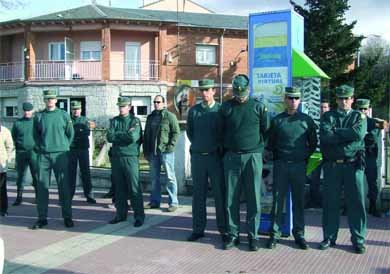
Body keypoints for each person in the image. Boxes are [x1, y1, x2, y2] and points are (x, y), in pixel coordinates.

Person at [220, 74, 269, 251]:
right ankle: (233, 235)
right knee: (231, 198)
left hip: (253, 157)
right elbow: (221, 131)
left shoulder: (258, 107)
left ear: (248, 89)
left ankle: (253, 236)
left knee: (253, 198)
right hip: (231, 157)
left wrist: (258, 151)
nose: (240, 95)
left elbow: (266, 131)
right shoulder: (226, 108)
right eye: (237, 92)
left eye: (243, 92)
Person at [266, 87, 317, 250]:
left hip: (298, 166)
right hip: (281, 165)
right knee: (277, 202)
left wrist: (301, 157)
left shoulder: (306, 121)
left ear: (299, 100)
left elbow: (313, 144)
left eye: (296, 98)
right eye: (290, 98)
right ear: (285, 100)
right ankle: (274, 234)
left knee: (299, 202)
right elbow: (271, 144)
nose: (293, 101)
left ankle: (299, 234)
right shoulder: (277, 121)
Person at [319, 85, 367, 254]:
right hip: (333, 166)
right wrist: (346, 133)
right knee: (330, 203)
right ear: (336, 100)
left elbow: (358, 136)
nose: (344, 101)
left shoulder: (359, 116)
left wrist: (336, 133)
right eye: (340, 98)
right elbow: (325, 137)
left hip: (353, 166)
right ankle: (329, 237)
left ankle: (358, 239)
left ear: (352, 99)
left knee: (356, 204)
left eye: (347, 98)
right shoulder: (328, 116)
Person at [186, 79, 226, 242]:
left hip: (215, 158)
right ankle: (198, 229)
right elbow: (190, 132)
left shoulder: (221, 110)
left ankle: (223, 230)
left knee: (219, 195)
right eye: (202, 90)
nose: (204, 93)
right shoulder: (194, 111)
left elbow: (224, 134)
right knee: (198, 195)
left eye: (207, 90)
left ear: (214, 91)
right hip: (198, 158)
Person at [32, 89, 74, 229]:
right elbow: (35, 135)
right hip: (43, 156)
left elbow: (70, 134)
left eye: (52, 98)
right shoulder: (39, 116)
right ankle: (42, 218)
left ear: (56, 100)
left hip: (60, 155)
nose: (50, 101)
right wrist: (41, 148)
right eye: (47, 98)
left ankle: (67, 217)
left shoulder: (63, 115)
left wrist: (64, 146)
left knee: (64, 187)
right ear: (44, 100)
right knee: (42, 187)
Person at [107, 97, 144, 227]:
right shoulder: (115, 121)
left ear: (129, 107)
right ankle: (120, 214)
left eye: (124, 106)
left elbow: (132, 137)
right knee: (119, 188)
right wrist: (123, 135)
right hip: (117, 158)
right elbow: (109, 137)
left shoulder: (135, 121)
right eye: (120, 106)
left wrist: (118, 135)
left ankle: (139, 216)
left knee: (134, 188)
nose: (121, 108)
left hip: (130, 157)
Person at [143, 95, 180, 212]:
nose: (156, 104)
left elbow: (176, 132)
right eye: (154, 102)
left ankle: (173, 202)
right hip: (153, 153)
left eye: (158, 102)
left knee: (170, 177)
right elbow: (146, 136)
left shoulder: (170, 116)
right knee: (154, 178)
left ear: (164, 103)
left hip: (166, 152)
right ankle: (155, 201)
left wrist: (170, 147)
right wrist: (146, 151)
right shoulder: (150, 117)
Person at [356, 98, 387, 217]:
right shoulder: (352, 121)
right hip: (355, 156)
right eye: (360, 109)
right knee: (352, 182)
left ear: (368, 109)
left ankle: (373, 206)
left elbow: (370, 139)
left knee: (372, 182)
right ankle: (350, 207)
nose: (363, 111)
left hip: (369, 156)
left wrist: (359, 137)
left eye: (365, 109)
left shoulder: (373, 122)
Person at [68, 100, 96, 204]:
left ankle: (89, 196)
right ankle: (69, 196)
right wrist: (78, 132)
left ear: (81, 109)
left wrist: (75, 133)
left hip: (83, 149)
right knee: (70, 174)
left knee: (86, 173)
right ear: (71, 110)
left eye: (78, 109)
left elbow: (86, 133)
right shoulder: (68, 120)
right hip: (71, 150)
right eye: (74, 109)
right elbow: (66, 133)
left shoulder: (85, 120)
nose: (76, 111)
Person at [11, 102, 38, 206]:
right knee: (20, 176)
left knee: (36, 175)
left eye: (29, 111)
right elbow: (13, 136)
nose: (27, 112)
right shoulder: (18, 123)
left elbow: (41, 136)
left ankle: (38, 196)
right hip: (21, 153)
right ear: (23, 111)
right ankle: (19, 197)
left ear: (32, 111)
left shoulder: (36, 122)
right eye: (25, 111)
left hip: (34, 153)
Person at [306, 98, 330, 209]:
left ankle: (326, 202)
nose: (323, 109)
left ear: (329, 108)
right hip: (316, 155)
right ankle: (314, 201)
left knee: (328, 180)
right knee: (314, 180)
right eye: (321, 107)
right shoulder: (314, 121)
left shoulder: (331, 120)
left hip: (328, 155)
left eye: (325, 107)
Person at [0, 122, 14, 216]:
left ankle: (3, 209)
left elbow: (9, 146)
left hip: (1, 165)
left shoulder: (5, 131)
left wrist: (6, 158)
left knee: (1, 189)